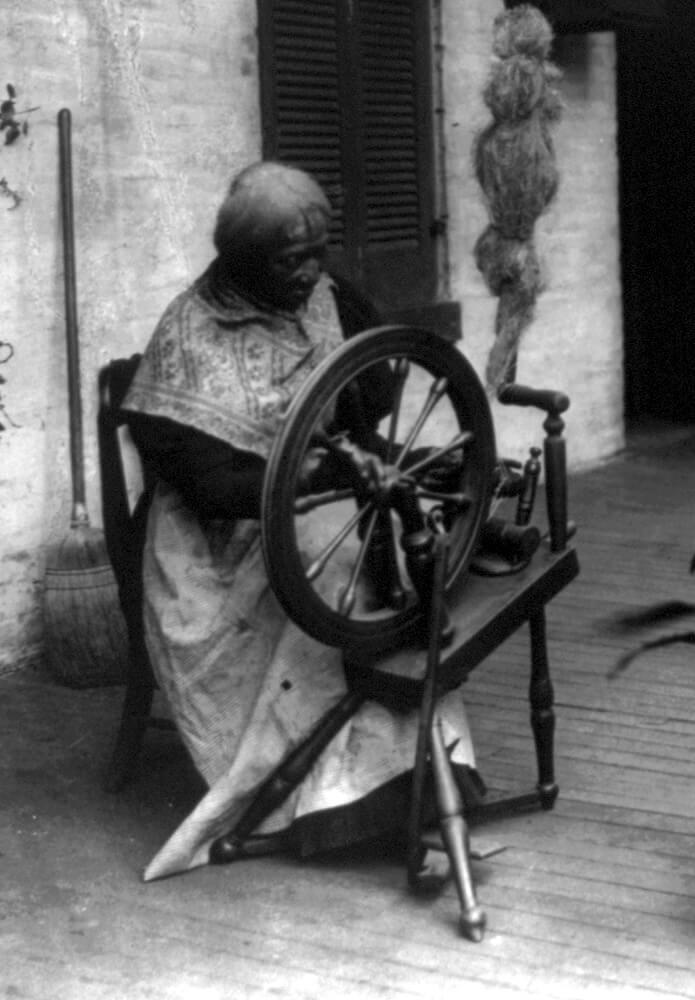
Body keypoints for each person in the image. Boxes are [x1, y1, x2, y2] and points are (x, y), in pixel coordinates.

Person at [122, 161, 484, 881]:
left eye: (319, 252)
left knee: (390, 560)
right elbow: (207, 485)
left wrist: (360, 454)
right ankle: (333, 801)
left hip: (322, 512)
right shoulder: (187, 335)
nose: (311, 272)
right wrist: (321, 472)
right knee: (347, 574)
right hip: (218, 549)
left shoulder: (327, 295)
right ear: (243, 260)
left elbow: (373, 390)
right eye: (292, 260)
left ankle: (418, 781)